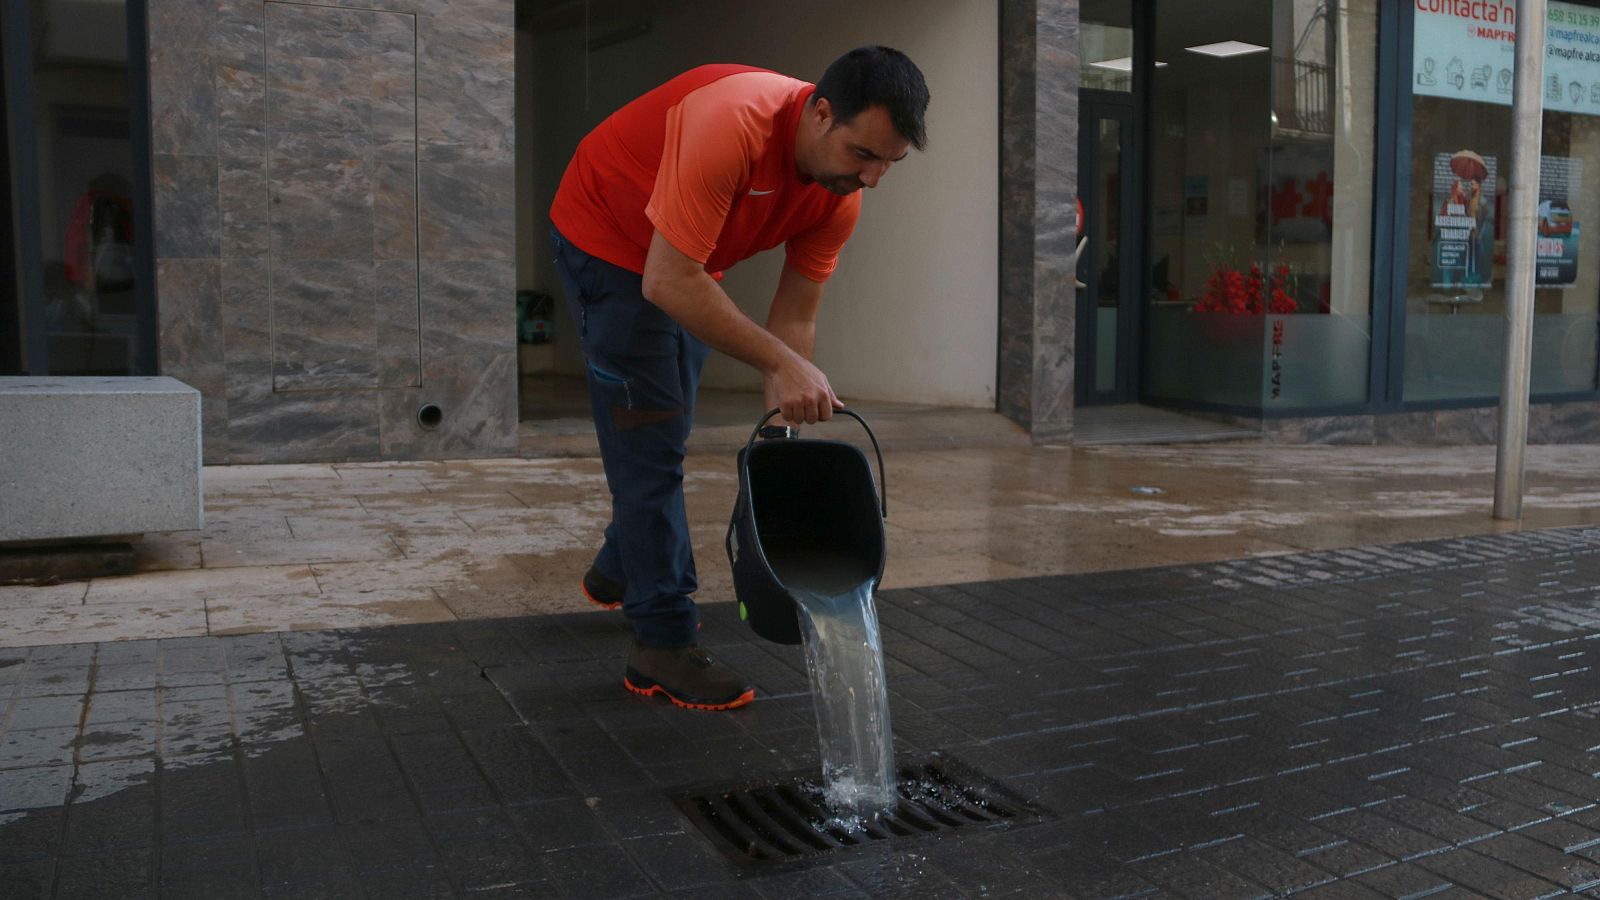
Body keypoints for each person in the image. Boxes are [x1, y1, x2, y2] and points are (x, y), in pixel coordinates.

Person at [547, 46, 929, 711]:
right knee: (650, 447)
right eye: (863, 154)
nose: (872, 179)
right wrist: (781, 363)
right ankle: (661, 642)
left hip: (688, 260)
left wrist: (782, 435)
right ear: (820, 113)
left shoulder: (838, 198)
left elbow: (795, 317)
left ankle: (620, 565)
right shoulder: (731, 124)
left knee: (667, 432)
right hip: (609, 239)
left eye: (889, 163)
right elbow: (666, 282)